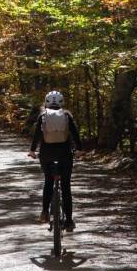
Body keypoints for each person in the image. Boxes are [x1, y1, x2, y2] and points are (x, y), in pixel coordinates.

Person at [28, 90, 82, 231]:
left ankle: (45, 212)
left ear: (46, 102)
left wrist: (32, 151)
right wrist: (79, 150)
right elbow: (75, 134)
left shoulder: (43, 116)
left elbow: (37, 135)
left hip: (47, 154)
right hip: (64, 154)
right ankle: (69, 221)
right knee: (65, 186)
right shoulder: (66, 115)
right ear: (62, 102)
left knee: (48, 181)